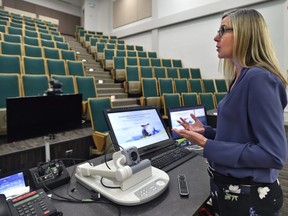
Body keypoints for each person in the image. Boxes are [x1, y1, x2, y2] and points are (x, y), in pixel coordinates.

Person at [172, 8, 287, 216]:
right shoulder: (239, 79)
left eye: (223, 30)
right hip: (230, 192)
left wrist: (208, 145)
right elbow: (242, 137)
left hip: (249, 198)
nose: (216, 37)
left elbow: (274, 154)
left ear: (246, 33)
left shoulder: (259, 79)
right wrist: (206, 132)